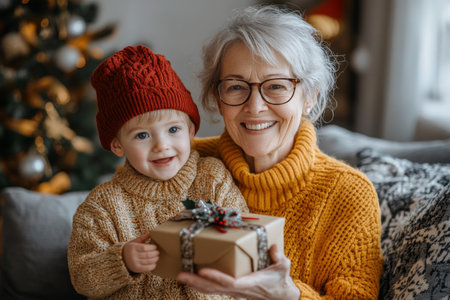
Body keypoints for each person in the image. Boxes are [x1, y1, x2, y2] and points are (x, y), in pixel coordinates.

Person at [176, 5, 384, 299]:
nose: (255, 106)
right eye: (236, 87)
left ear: (309, 96)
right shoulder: (181, 165)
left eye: (276, 86)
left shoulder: (349, 195)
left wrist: (289, 295)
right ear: (217, 98)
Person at [67, 45, 248, 299]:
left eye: (173, 130)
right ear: (118, 145)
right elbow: (82, 277)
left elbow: (242, 232)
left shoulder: (211, 177)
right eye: (142, 135)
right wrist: (122, 260)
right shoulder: (102, 206)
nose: (162, 145)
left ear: (191, 130)